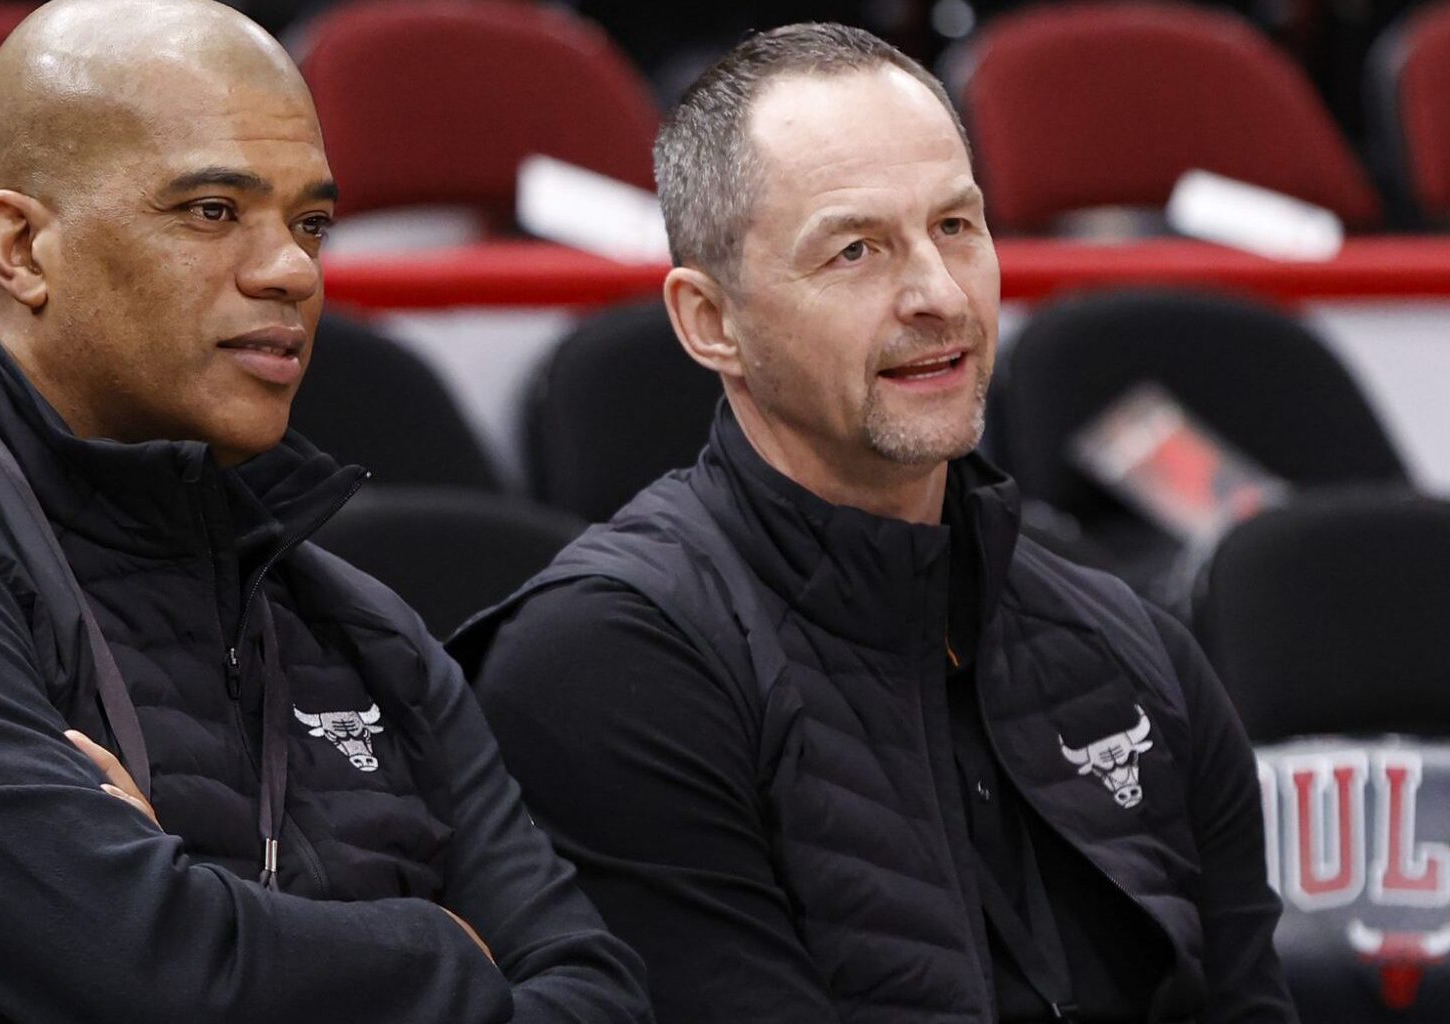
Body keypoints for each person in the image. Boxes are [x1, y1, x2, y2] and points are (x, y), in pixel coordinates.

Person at [0, 2, 649, 1020]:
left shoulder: (361, 627)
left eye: (311, 222)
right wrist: (444, 947)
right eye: (213, 210)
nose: (291, 270)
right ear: (21, 248)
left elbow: (599, 999)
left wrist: (202, 913)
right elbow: (149, 986)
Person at [454, 23, 1295, 1024]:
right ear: (708, 321)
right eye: (857, 250)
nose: (939, 296)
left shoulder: (1135, 648)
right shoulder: (602, 662)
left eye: (956, 226)